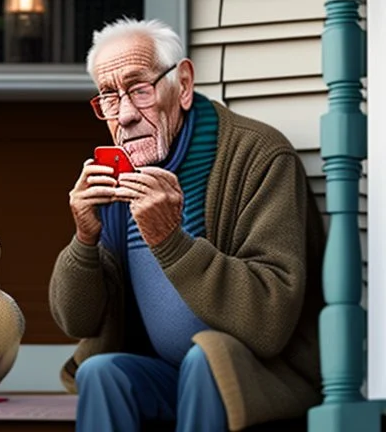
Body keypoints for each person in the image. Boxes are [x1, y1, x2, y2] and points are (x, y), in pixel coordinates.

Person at [48, 17, 326, 431]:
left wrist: (169, 242)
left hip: (260, 378)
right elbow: (78, 322)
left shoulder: (259, 157)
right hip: (165, 376)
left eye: (140, 89)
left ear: (183, 84)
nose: (125, 115)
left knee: (206, 358)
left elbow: (270, 323)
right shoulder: (118, 178)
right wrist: (84, 240)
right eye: (109, 96)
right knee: (101, 373)